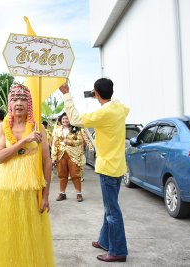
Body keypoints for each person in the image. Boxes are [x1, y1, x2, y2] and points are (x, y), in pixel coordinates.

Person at [59, 78, 129, 262]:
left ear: (96, 92)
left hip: (108, 168)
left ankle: (118, 250)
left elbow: (74, 119)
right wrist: (100, 95)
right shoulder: (120, 109)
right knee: (110, 208)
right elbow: (120, 104)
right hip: (119, 166)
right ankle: (105, 240)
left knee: (112, 211)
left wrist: (66, 93)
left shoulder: (103, 114)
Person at [0, 83, 54, 266]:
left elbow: (47, 162)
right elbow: (1, 157)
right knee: (9, 232)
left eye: (23, 99)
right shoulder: (1, 127)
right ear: (10, 103)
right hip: (6, 189)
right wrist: (24, 141)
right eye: (15, 99)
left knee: (31, 234)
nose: (19, 103)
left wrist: (46, 195)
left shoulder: (38, 126)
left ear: (30, 104)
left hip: (31, 189)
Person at [51, 112, 85, 202]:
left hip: (73, 155)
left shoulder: (76, 129)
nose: (65, 120)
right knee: (62, 174)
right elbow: (54, 144)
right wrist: (54, 157)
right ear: (61, 120)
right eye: (63, 119)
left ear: (70, 120)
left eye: (67, 118)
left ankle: (79, 194)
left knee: (75, 174)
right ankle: (62, 193)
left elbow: (80, 141)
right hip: (61, 155)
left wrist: (70, 142)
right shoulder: (57, 130)